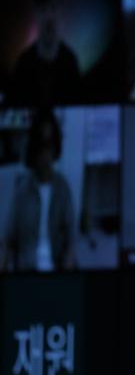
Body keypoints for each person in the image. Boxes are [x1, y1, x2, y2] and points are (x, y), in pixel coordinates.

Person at [1, 108, 75, 271]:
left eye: (49, 146)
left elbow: (71, 240)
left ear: (55, 147)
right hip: (28, 271)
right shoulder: (22, 190)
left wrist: (68, 265)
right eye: (41, 147)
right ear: (34, 149)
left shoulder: (62, 188)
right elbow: (7, 238)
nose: (45, 154)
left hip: (57, 270)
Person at [7, 0, 81, 105]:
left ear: (61, 10)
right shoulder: (23, 65)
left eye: (53, 6)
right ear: (35, 13)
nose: (49, 16)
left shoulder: (70, 63)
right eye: (43, 9)